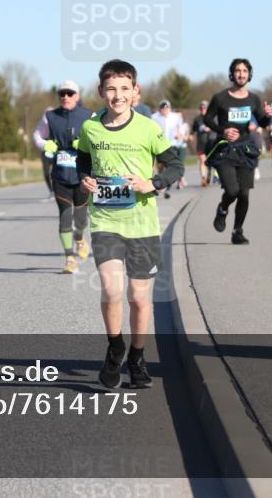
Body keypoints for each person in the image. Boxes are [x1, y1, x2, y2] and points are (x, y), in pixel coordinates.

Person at [78, 59, 184, 389]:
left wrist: (150, 183)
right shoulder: (90, 128)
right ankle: (115, 348)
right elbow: (84, 157)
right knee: (111, 289)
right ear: (100, 92)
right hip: (105, 220)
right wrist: (85, 178)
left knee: (139, 298)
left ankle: (137, 357)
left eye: (125, 89)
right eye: (111, 89)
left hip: (142, 225)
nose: (118, 95)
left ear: (136, 92)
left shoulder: (149, 128)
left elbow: (176, 166)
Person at [203, 58, 272, 245]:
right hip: (225, 150)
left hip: (245, 150)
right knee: (232, 190)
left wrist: (267, 116)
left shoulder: (254, 99)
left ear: (249, 74)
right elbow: (207, 119)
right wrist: (222, 131)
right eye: (237, 70)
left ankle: (237, 231)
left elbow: (263, 123)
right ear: (232, 74)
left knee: (244, 193)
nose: (241, 74)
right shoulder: (221, 98)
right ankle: (223, 208)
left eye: (244, 71)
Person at [33, 81, 93, 274]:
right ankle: (69, 258)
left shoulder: (88, 116)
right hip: (60, 176)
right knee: (65, 217)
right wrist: (45, 145)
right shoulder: (50, 116)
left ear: (77, 95)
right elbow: (37, 136)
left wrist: (85, 143)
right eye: (62, 94)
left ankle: (79, 239)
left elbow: (100, 139)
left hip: (82, 177)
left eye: (69, 93)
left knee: (81, 219)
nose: (65, 97)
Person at [150, 100, 187, 198]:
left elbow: (181, 127)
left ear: (169, 109)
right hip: (159, 145)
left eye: (166, 108)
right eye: (162, 108)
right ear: (159, 109)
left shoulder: (175, 117)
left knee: (171, 166)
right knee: (160, 167)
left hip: (172, 144)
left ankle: (165, 187)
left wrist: (180, 134)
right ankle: (160, 185)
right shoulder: (154, 117)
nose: (164, 110)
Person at [191, 100, 213, 186]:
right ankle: (203, 177)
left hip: (211, 142)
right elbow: (193, 129)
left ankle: (209, 174)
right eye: (201, 108)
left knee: (210, 161)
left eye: (205, 108)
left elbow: (219, 128)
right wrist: (191, 135)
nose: (203, 110)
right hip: (201, 142)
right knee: (202, 160)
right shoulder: (197, 119)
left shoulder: (212, 118)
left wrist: (211, 128)